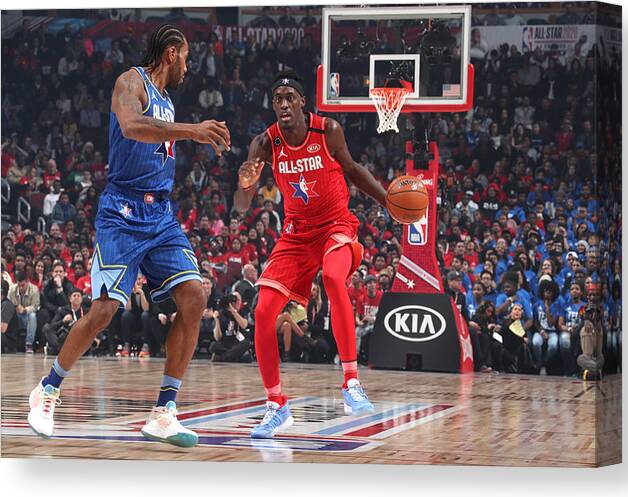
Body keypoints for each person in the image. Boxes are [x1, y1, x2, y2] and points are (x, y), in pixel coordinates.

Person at [28, 24, 231, 447]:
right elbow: (132, 126)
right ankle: (47, 389)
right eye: (187, 57)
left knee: (194, 295)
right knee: (105, 310)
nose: (189, 67)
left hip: (160, 214)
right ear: (172, 53)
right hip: (121, 211)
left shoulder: (170, 102)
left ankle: (164, 411)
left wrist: (186, 130)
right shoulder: (130, 81)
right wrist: (192, 130)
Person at [233, 69, 387, 438]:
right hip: (296, 235)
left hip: (335, 224)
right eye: (277, 100)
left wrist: (387, 201)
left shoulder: (328, 130)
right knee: (263, 310)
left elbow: (352, 170)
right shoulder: (264, 143)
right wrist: (244, 184)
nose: (284, 104)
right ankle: (276, 404)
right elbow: (241, 207)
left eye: (290, 98)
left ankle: (351, 382)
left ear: (303, 102)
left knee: (334, 277)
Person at [8, 270, 40, 353]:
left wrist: (25, 310)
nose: (21, 288)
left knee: (33, 315)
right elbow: (7, 304)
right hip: (15, 316)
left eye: (23, 285)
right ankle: (10, 343)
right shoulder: (12, 289)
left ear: (27, 282)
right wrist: (15, 308)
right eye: (19, 285)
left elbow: (35, 307)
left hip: (27, 317)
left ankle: (29, 344)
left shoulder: (35, 290)